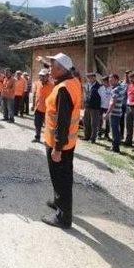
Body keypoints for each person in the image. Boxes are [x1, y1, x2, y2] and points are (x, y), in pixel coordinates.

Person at [41, 52, 82, 229]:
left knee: (61, 179)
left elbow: (63, 122)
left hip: (60, 144)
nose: (49, 70)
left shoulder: (63, 89)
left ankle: (63, 218)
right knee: (62, 177)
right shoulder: (72, 82)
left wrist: (57, 148)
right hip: (67, 143)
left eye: (52, 67)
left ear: (61, 69)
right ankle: (60, 202)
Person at [31, 68, 54, 143]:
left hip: (48, 110)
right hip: (38, 108)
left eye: (43, 76)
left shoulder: (52, 85)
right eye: (40, 76)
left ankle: (47, 139)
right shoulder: (37, 83)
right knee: (37, 124)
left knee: (47, 126)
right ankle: (37, 137)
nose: (41, 77)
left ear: (47, 76)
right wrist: (33, 105)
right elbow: (35, 95)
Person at [106, 74, 124, 153]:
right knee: (116, 129)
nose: (110, 82)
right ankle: (115, 145)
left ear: (117, 80)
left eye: (112, 80)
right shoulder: (121, 87)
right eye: (109, 80)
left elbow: (113, 102)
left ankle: (115, 148)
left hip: (114, 112)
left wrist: (107, 113)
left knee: (114, 130)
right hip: (118, 112)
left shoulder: (115, 90)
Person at [83, 72, 102, 144]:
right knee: (86, 122)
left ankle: (92, 138)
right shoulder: (87, 85)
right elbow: (86, 95)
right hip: (87, 106)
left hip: (95, 107)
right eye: (88, 77)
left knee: (94, 124)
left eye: (90, 77)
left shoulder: (99, 86)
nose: (89, 79)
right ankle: (86, 136)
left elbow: (102, 97)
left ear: (94, 77)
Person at [98, 75, 112, 140]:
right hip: (101, 107)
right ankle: (99, 134)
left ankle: (106, 135)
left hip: (108, 107)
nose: (103, 83)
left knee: (108, 122)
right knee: (100, 121)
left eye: (104, 82)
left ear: (107, 81)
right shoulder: (100, 88)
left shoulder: (112, 88)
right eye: (103, 82)